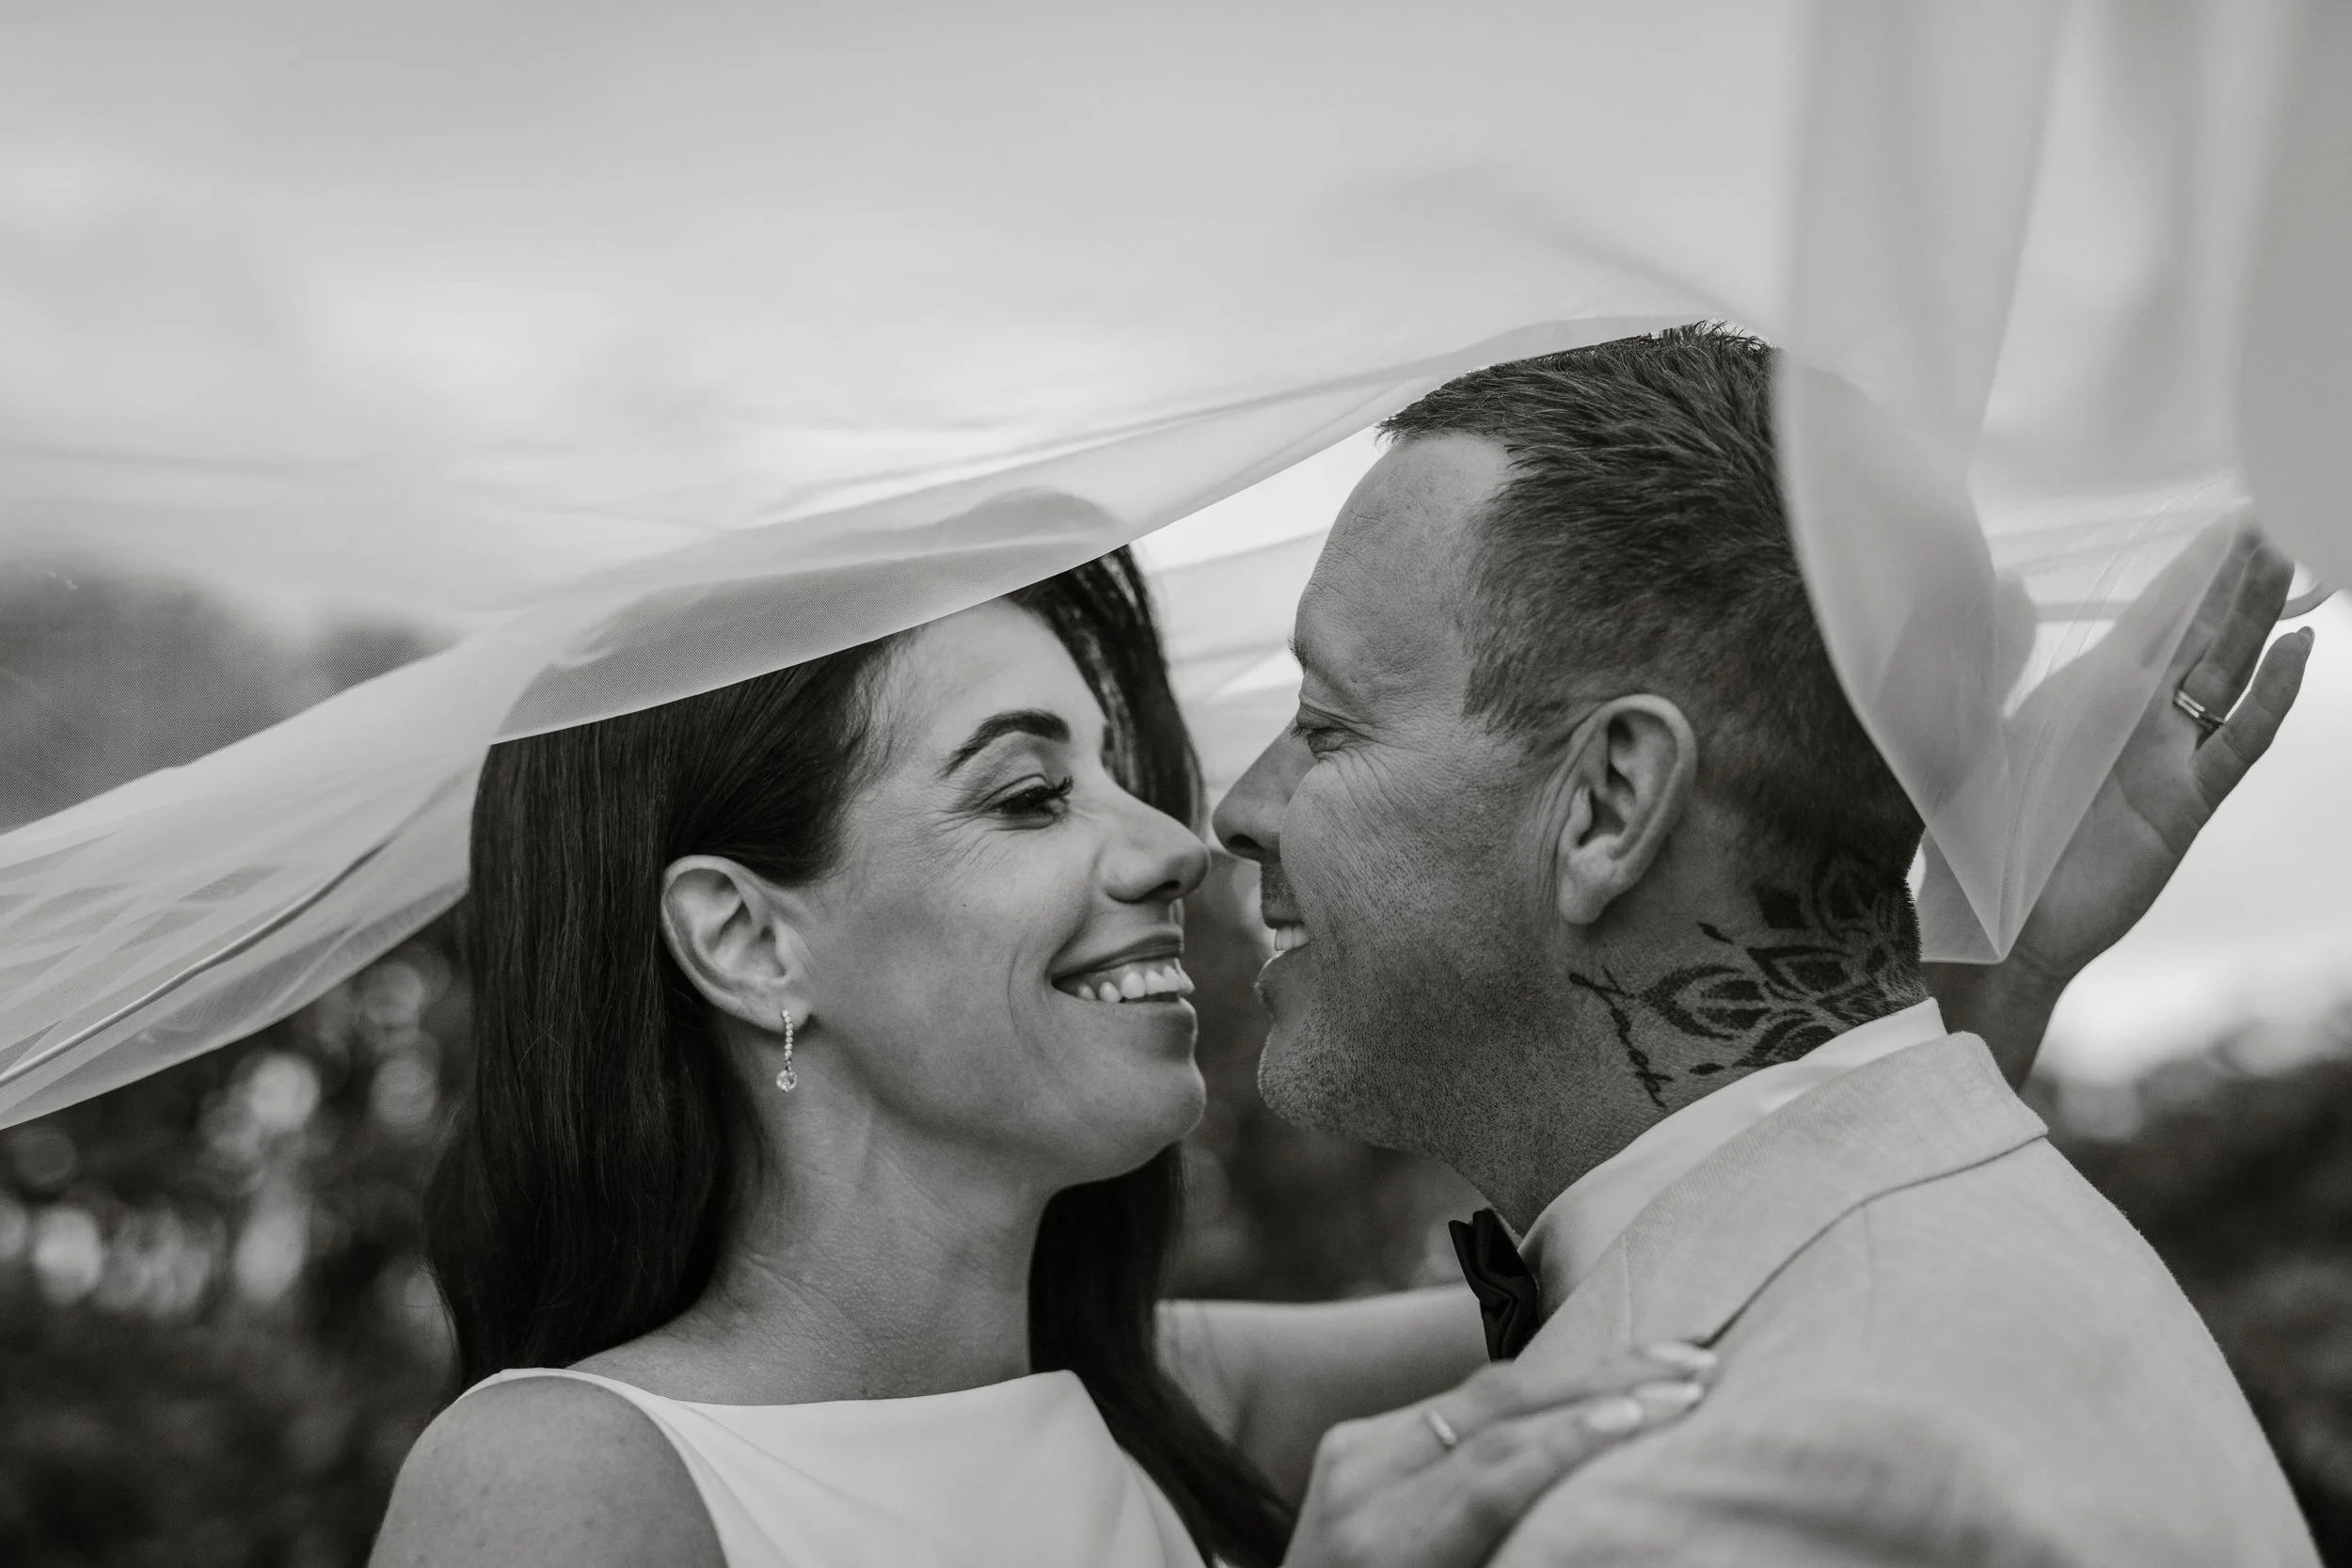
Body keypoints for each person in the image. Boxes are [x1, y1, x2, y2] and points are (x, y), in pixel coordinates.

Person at [369, 524, 2181, 1568]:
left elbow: (1711, 1246)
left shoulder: (1178, 1403)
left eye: (1120, 770)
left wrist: (1981, 965)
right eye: (1026, 794)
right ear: (750, 935)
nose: (1171, 845)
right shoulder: (561, 1483)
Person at [1211, 326, 2322, 1565]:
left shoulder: (1731, 1500)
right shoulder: (1925, 1240)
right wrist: (1977, 991)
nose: (1238, 810)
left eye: (1326, 723)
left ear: (1609, 803)